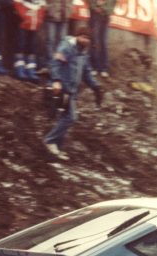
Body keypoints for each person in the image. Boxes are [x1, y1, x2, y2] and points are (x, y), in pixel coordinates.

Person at [43, 26, 103, 161]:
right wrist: (56, 80)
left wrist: (96, 87)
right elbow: (55, 63)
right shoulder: (67, 47)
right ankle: (49, 140)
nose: (85, 40)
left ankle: (56, 149)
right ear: (77, 36)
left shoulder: (83, 53)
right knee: (70, 118)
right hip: (63, 88)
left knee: (64, 118)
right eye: (83, 37)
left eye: (88, 38)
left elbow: (87, 72)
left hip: (72, 91)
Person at [13, 0, 45, 81]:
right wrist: (24, 16)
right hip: (23, 23)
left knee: (32, 46)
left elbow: (42, 6)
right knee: (21, 44)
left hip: (34, 24)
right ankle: (19, 68)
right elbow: (17, 3)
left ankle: (30, 69)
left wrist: (39, 20)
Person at [88, 0, 116, 77]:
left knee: (103, 42)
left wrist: (103, 7)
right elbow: (90, 2)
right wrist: (95, 7)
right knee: (94, 41)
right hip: (94, 16)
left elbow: (113, 4)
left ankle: (104, 68)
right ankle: (93, 67)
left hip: (105, 17)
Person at [43, 0, 72, 69]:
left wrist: (69, 10)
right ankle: (51, 64)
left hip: (64, 16)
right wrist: (49, 9)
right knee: (50, 40)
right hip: (51, 16)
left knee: (62, 42)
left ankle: (58, 64)